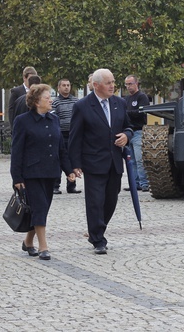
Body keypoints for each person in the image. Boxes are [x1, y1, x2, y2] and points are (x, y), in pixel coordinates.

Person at [10, 84, 80, 261]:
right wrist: (16, 177)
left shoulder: (53, 119)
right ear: (36, 101)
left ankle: (28, 242)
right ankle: (43, 247)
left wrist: (69, 170)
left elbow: (61, 149)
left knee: (41, 209)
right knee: (39, 207)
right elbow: (16, 151)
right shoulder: (22, 121)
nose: (51, 100)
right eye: (47, 97)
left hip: (50, 172)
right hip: (31, 173)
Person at [68, 68, 134, 255]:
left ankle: (96, 229)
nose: (112, 86)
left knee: (110, 201)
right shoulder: (82, 106)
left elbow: (129, 126)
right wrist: (75, 164)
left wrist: (127, 136)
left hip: (114, 161)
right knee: (95, 202)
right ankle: (98, 239)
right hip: (93, 162)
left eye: (113, 82)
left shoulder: (119, 103)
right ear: (96, 85)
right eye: (108, 83)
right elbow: (75, 137)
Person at [51, 78, 81, 194]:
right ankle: (55, 185)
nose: (66, 87)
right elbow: (53, 118)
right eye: (63, 85)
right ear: (59, 88)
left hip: (73, 134)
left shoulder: (76, 101)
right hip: (60, 135)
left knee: (72, 160)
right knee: (58, 160)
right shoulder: (55, 102)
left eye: (68, 85)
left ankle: (71, 185)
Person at [123, 75, 151, 192]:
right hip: (129, 132)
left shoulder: (142, 97)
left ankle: (144, 183)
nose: (128, 87)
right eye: (126, 84)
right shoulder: (126, 99)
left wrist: (127, 113)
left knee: (140, 160)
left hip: (139, 131)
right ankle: (135, 183)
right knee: (131, 161)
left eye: (130, 84)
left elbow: (141, 112)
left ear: (136, 83)